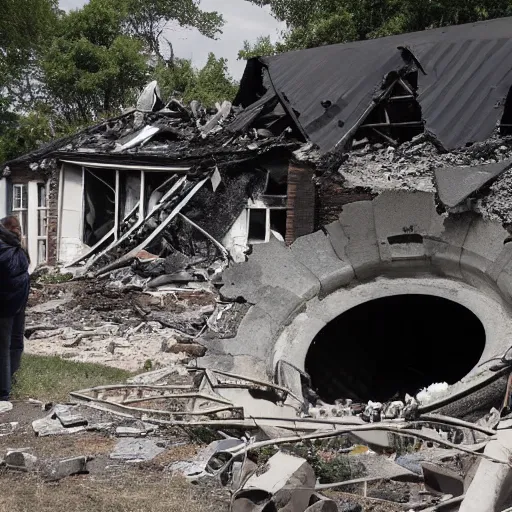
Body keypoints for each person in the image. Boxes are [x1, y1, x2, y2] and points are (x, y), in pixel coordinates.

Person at [0, 216, 30, 401]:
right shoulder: (6, 246)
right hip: (5, 304)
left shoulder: (14, 245)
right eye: (16, 227)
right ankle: (3, 391)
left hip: (18, 302)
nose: (19, 230)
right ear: (8, 227)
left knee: (15, 342)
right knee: (4, 346)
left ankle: (10, 380)